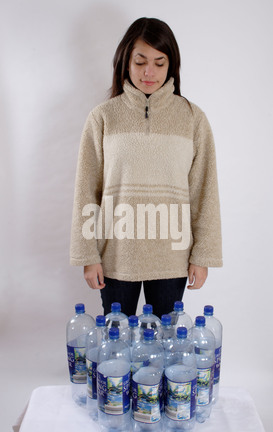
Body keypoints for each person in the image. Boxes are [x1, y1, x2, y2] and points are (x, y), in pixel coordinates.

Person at [70, 17, 222, 318]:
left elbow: (205, 191)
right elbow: (87, 190)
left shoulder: (192, 118)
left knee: (164, 347)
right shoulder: (103, 117)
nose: (149, 72)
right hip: (116, 255)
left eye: (159, 62)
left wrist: (202, 255)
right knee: (118, 346)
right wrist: (88, 254)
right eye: (140, 62)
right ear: (125, 61)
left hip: (172, 256)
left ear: (171, 65)